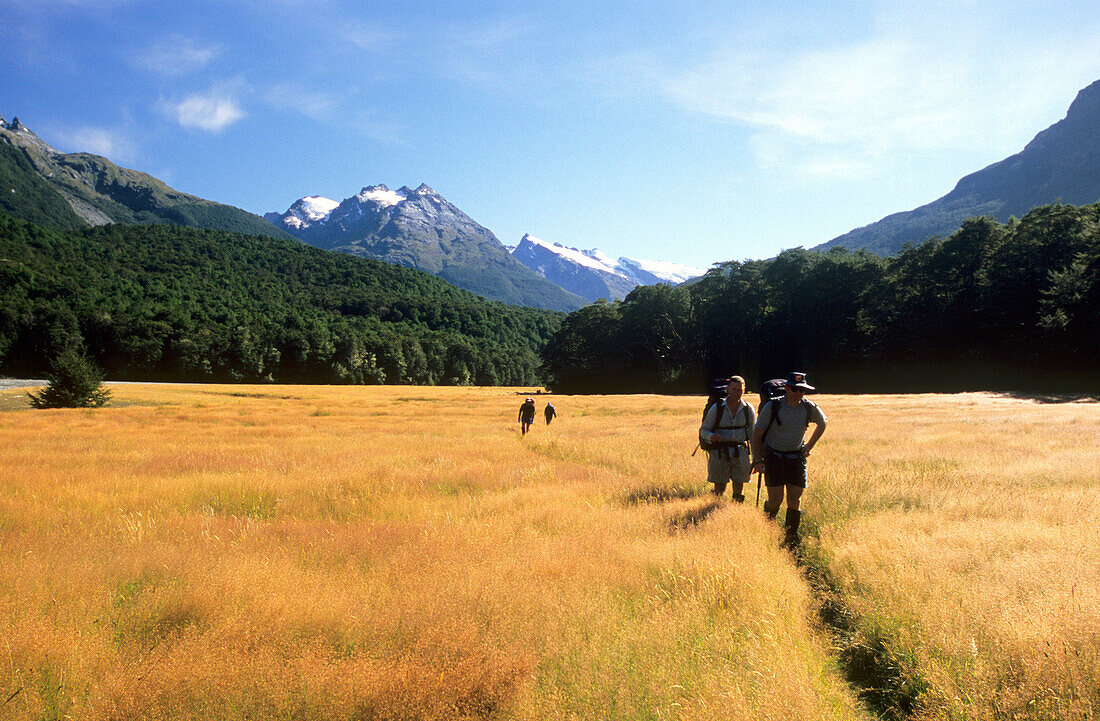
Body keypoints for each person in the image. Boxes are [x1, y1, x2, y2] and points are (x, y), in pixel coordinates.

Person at [751, 371, 827, 546]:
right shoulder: (773, 406)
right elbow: (757, 433)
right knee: (775, 499)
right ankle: (768, 530)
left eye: (802, 390)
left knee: (795, 499)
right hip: (774, 457)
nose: (798, 393)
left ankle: (791, 537)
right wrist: (758, 459)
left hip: (796, 457)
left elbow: (823, 422)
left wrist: (809, 446)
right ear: (786, 388)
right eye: (794, 389)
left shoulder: (808, 407)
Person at [699, 376, 756, 502]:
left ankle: (736, 510)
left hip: (740, 451)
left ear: (744, 390)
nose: (736, 393)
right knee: (719, 486)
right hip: (719, 451)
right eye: (734, 389)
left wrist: (756, 459)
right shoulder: (717, 408)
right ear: (728, 389)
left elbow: (753, 435)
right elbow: (704, 430)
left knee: (739, 484)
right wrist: (711, 436)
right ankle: (713, 508)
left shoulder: (748, 409)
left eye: (739, 390)